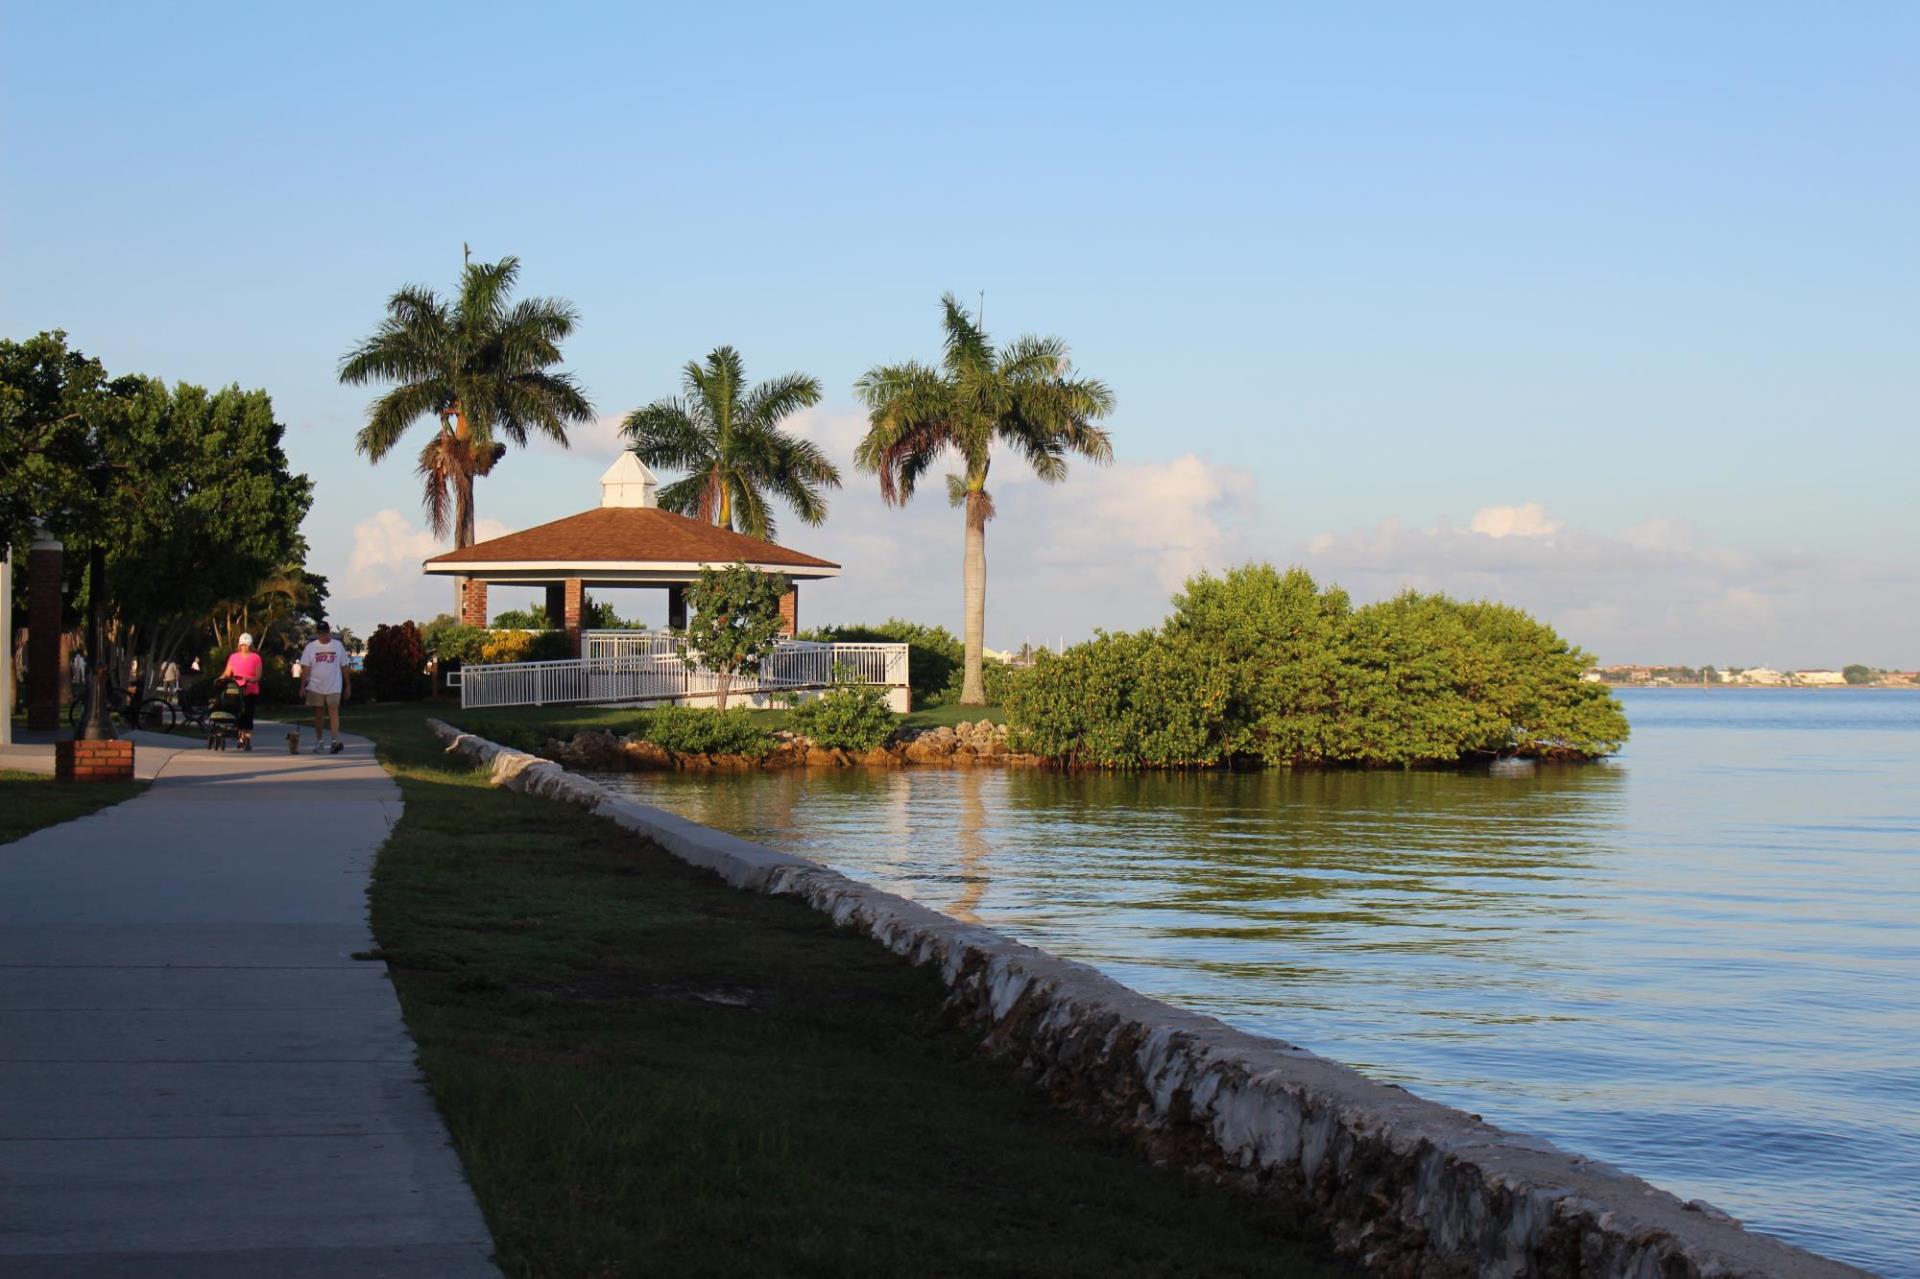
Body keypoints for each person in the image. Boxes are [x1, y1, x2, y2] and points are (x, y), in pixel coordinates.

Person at [299, 620, 351, 754]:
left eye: (325, 633)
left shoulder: (337, 646)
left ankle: (334, 741)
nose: (323, 636)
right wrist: (302, 686)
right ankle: (319, 740)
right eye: (321, 633)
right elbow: (305, 667)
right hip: (316, 686)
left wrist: (348, 685)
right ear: (317, 633)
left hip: (334, 686)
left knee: (334, 712)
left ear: (329, 632)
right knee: (318, 714)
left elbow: (344, 666)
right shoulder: (311, 647)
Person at [220, 633, 264, 751]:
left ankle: (247, 738)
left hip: (250, 689)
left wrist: (250, 679)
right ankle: (240, 736)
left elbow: (258, 675)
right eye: (242, 645)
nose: (244, 647)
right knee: (238, 713)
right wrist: (221, 678)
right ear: (239, 645)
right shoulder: (233, 657)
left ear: (250, 645)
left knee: (248, 714)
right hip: (235, 689)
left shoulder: (256, 657)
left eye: (246, 645)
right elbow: (227, 672)